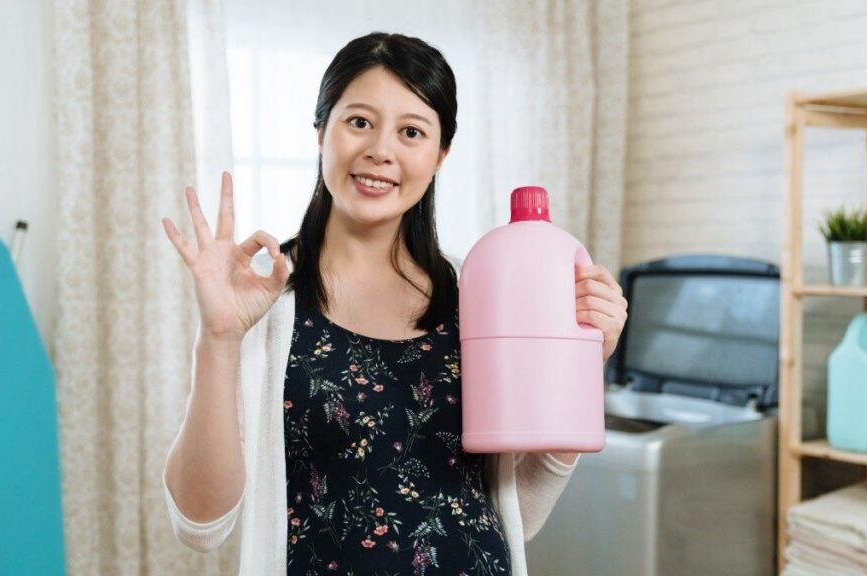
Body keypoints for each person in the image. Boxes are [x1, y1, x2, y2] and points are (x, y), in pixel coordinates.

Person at [161, 31, 628, 576]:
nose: (380, 149)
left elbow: (508, 517)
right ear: (321, 131)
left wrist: (577, 365)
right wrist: (218, 339)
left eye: (411, 131)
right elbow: (200, 524)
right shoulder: (264, 297)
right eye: (359, 121)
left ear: (441, 154)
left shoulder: (476, 292)